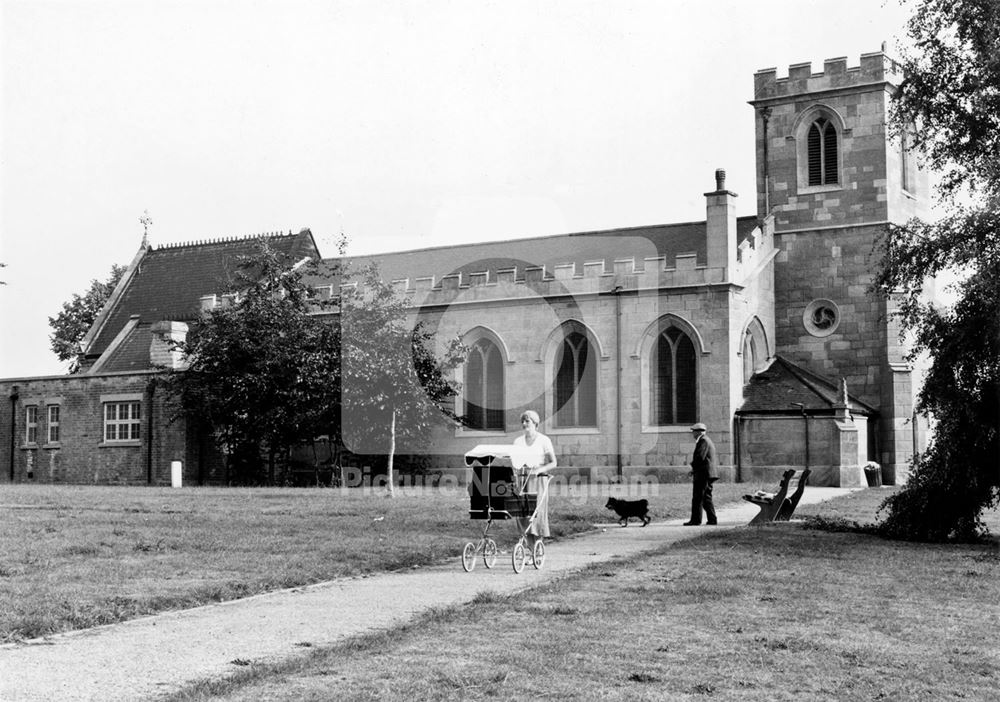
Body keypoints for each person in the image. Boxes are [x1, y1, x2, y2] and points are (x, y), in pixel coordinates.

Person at [512, 410, 557, 549]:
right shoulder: (518, 441)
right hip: (522, 480)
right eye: (523, 421)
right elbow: (514, 462)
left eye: (528, 421)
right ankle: (530, 549)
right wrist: (515, 476)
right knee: (523, 514)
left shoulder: (544, 440)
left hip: (538, 482)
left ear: (535, 423)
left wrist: (538, 471)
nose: (524, 424)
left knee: (536, 514)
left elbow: (553, 462)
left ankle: (537, 549)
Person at [685, 422, 719, 526]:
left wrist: (693, 467)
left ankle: (696, 520)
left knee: (697, 497)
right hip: (707, 473)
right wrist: (694, 469)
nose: (693, 434)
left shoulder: (703, 441)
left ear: (699, 432)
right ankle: (712, 519)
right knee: (706, 497)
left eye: (694, 432)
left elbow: (700, 457)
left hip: (703, 474)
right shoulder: (706, 440)